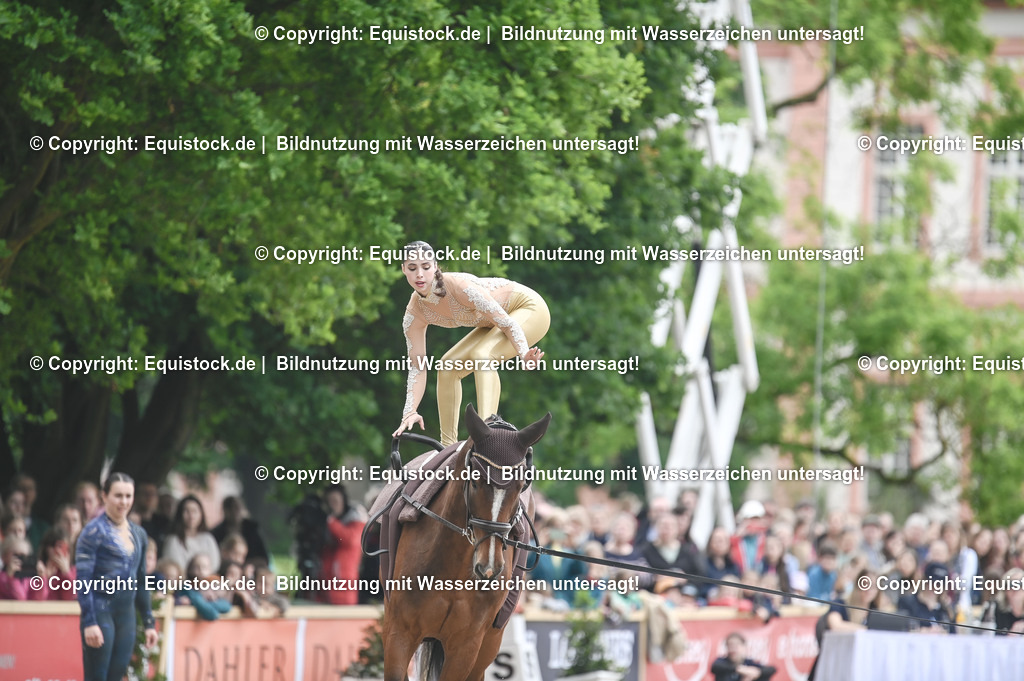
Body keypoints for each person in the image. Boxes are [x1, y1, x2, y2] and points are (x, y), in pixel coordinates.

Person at [391, 241, 550, 446]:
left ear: (436, 267)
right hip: (492, 324)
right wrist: (409, 412)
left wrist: (523, 353)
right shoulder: (414, 313)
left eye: (426, 267)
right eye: (412, 268)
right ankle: (447, 447)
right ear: (404, 269)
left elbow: (506, 322)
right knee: (446, 366)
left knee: (482, 354)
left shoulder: (457, 286)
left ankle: (487, 431)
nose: (419, 274)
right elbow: (417, 367)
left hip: (528, 309)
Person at [76, 472, 157, 681]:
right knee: (97, 677)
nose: (124, 502)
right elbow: (83, 581)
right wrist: (89, 621)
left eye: (128, 496)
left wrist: (148, 622)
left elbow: (141, 580)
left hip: (126, 615)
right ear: (104, 496)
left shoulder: (139, 534)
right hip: (101, 611)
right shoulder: (93, 532)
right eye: (118, 496)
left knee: (116, 676)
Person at [319, 484, 366, 605]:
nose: (332, 505)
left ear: (343, 500)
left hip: (344, 582)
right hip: (326, 581)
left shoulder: (355, 519)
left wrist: (330, 520)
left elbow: (349, 540)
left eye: (335, 500)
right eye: (329, 501)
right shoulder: (329, 524)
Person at [162, 495, 221, 573]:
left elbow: (215, 565)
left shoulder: (208, 539)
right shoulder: (173, 541)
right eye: (187, 511)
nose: (191, 516)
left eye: (194, 511)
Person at [710, 632, 776, 681]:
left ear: (744, 646)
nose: (733, 648)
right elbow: (715, 667)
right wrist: (741, 670)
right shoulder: (721, 662)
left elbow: (771, 669)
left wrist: (756, 673)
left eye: (736, 645)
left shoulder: (749, 662)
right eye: (730, 645)